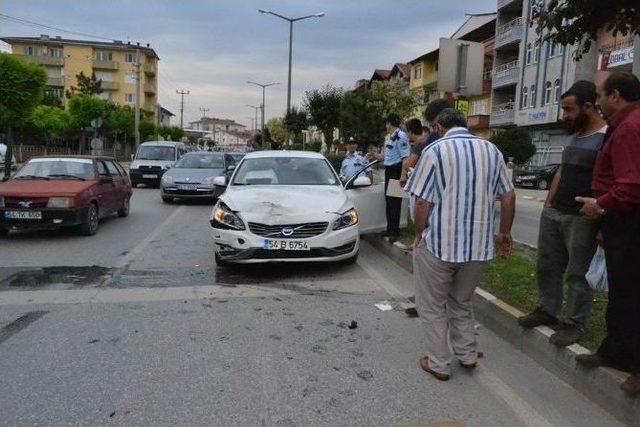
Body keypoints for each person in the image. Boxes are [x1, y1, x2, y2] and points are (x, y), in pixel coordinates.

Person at [405, 108, 516, 381]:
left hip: (439, 245)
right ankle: (467, 355)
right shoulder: (492, 151)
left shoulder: (436, 151)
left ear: (439, 126)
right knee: (461, 301)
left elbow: (422, 202)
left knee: (431, 306)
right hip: (478, 248)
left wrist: (420, 233)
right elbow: (509, 197)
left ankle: (439, 363)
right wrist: (504, 234)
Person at [518, 81, 607, 347]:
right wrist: (548, 204)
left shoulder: (608, 135)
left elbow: (608, 180)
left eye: (569, 109)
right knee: (547, 265)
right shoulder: (573, 135)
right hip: (555, 212)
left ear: (588, 107)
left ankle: (574, 323)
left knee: (577, 274)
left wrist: (603, 219)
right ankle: (547, 310)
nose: (565, 115)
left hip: (582, 218)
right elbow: (561, 171)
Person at [574, 71, 640, 397]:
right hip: (620, 223)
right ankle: (616, 353)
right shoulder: (623, 125)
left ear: (615, 96)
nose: (596, 101)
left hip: (629, 222)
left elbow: (630, 186)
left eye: (600, 95)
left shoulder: (630, 128)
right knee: (621, 294)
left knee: (631, 295)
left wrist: (599, 206)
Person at [374, 113, 410, 242]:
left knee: (395, 203)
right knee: (389, 201)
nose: (386, 126)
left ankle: (395, 231)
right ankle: (390, 228)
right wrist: (375, 156)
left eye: (387, 123)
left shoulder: (401, 136)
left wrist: (403, 174)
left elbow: (405, 157)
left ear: (389, 123)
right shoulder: (390, 137)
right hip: (389, 170)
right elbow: (385, 156)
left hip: (397, 170)